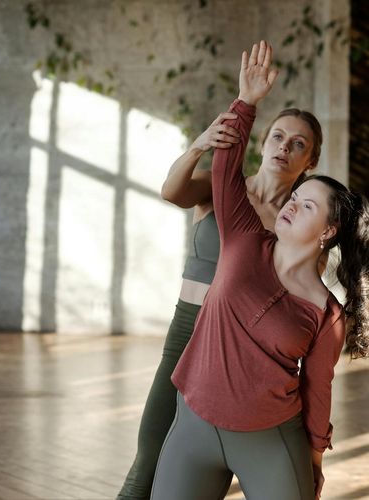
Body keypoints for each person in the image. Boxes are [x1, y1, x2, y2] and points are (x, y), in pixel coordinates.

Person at [150, 41, 369, 500]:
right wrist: (245, 103)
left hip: (270, 436)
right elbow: (222, 173)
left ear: (328, 230)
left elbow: (318, 387)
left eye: (307, 205)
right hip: (194, 417)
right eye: (293, 201)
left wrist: (314, 459)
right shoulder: (245, 238)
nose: (292, 207)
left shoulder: (327, 312)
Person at [118, 51, 325, 500]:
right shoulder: (228, 191)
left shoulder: (297, 224)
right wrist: (200, 145)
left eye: (298, 144)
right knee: (147, 459)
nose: (283, 148)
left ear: (309, 161)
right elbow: (172, 191)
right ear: (263, 141)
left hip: (239, 345)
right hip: (187, 328)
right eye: (278, 137)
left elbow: (303, 304)